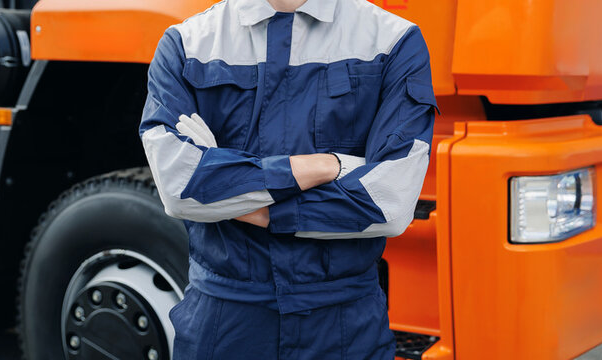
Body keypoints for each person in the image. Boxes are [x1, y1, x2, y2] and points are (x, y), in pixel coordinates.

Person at [138, 0, 438, 358]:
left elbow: (389, 202)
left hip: (344, 326)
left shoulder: (393, 41)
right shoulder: (186, 44)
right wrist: (326, 166)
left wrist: (238, 197)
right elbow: (178, 188)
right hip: (225, 324)